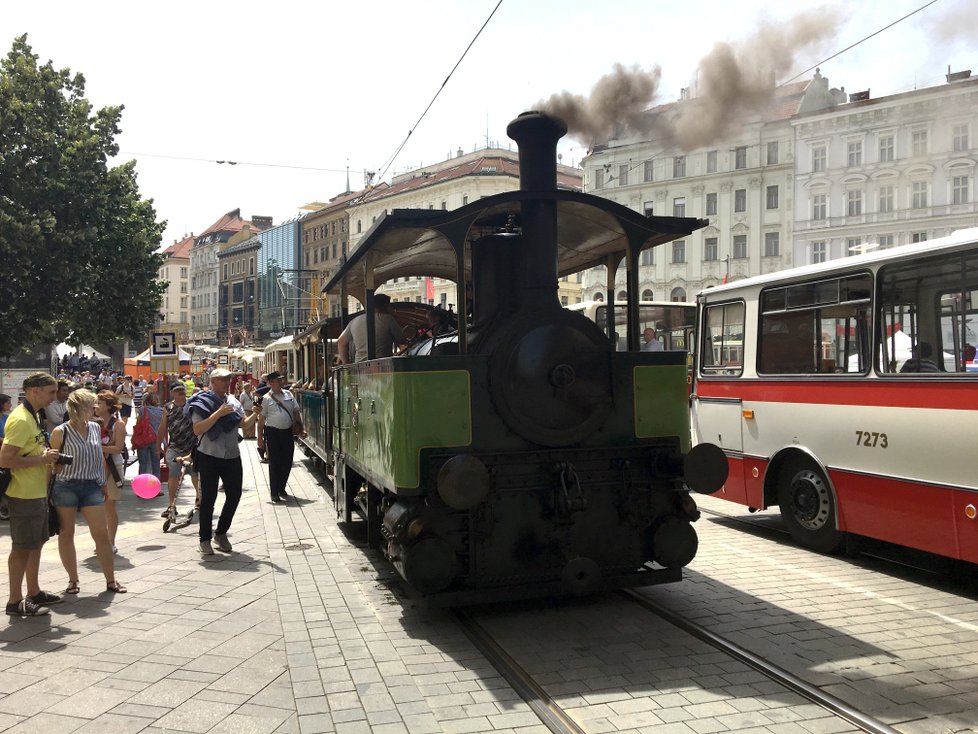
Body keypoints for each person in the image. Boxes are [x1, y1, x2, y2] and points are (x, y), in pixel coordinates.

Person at [49, 389, 127, 595]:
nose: (96, 408)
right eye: (92, 405)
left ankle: (111, 580)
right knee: (67, 533)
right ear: (80, 408)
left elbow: (98, 457)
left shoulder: (94, 427)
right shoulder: (60, 432)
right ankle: (73, 580)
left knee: (101, 534)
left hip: (92, 485)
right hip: (66, 486)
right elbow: (52, 463)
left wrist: (102, 483)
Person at [0, 373, 63, 617]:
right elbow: (5, 458)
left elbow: (26, 450)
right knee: (22, 547)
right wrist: (42, 458)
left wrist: (44, 455)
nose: (54, 396)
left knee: (35, 544)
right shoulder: (21, 419)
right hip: (22, 494)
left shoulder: (33, 415)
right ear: (34, 390)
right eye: (50, 391)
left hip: (35, 491)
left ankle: (34, 592)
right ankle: (15, 601)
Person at [187, 368, 259, 555]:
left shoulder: (233, 401)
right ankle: (204, 540)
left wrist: (257, 414)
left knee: (234, 495)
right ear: (213, 381)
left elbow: (243, 424)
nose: (228, 382)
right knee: (208, 499)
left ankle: (221, 533)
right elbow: (198, 429)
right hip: (209, 455)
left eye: (229, 379)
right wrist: (217, 414)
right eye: (223, 379)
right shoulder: (202, 401)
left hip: (231, 455)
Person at [257, 371, 305, 503]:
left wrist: (301, 428)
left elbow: (295, 412)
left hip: (287, 433)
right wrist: (259, 439)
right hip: (272, 433)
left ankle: (282, 487)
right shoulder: (266, 398)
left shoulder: (289, 394)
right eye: (277, 381)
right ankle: (274, 492)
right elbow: (261, 421)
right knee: (274, 463)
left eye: (281, 380)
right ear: (271, 383)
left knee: (287, 461)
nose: (280, 383)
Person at [158, 382, 201, 520]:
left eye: (182, 389)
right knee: (173, 474)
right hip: (175, 447)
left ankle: (199, 498)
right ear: (172, 393)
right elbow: (162, 427)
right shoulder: (168, 407)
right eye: (177, 390)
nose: (181, 392)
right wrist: (157, 445)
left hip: (192, 446)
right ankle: (172, 505)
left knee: (195, 474)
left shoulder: (192, 405)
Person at [95, 390, 126, 553]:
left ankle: (110, 542)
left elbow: (118, 448)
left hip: (112, 468)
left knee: (109, 505)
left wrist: (98, 447)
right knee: (95, 507)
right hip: (96, 468)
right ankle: (100, 540)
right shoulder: (93, 423)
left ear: (108, 406)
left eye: (99, 403)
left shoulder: (118, 424)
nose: (96, 406)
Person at [336, 293, 404, 364]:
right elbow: (402, 339)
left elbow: (341, 342)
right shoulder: (387, 319)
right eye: (390, 306)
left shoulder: (354, 321)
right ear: (386, 306)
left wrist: (346, 362)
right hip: (382, 366)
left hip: (359, 366)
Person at [136, 391, 164, 480]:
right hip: (156, 440)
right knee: (156, 464)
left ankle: (141, 487)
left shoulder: (142, 410)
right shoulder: (162, 411)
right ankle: (156, 487)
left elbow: (138, 425)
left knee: (143, 464)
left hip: (143, 440)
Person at [0, 393, 12, 521]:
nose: (10, 405)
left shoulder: (8, 417)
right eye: (8, 403)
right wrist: (3, 440)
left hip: (7, 452)